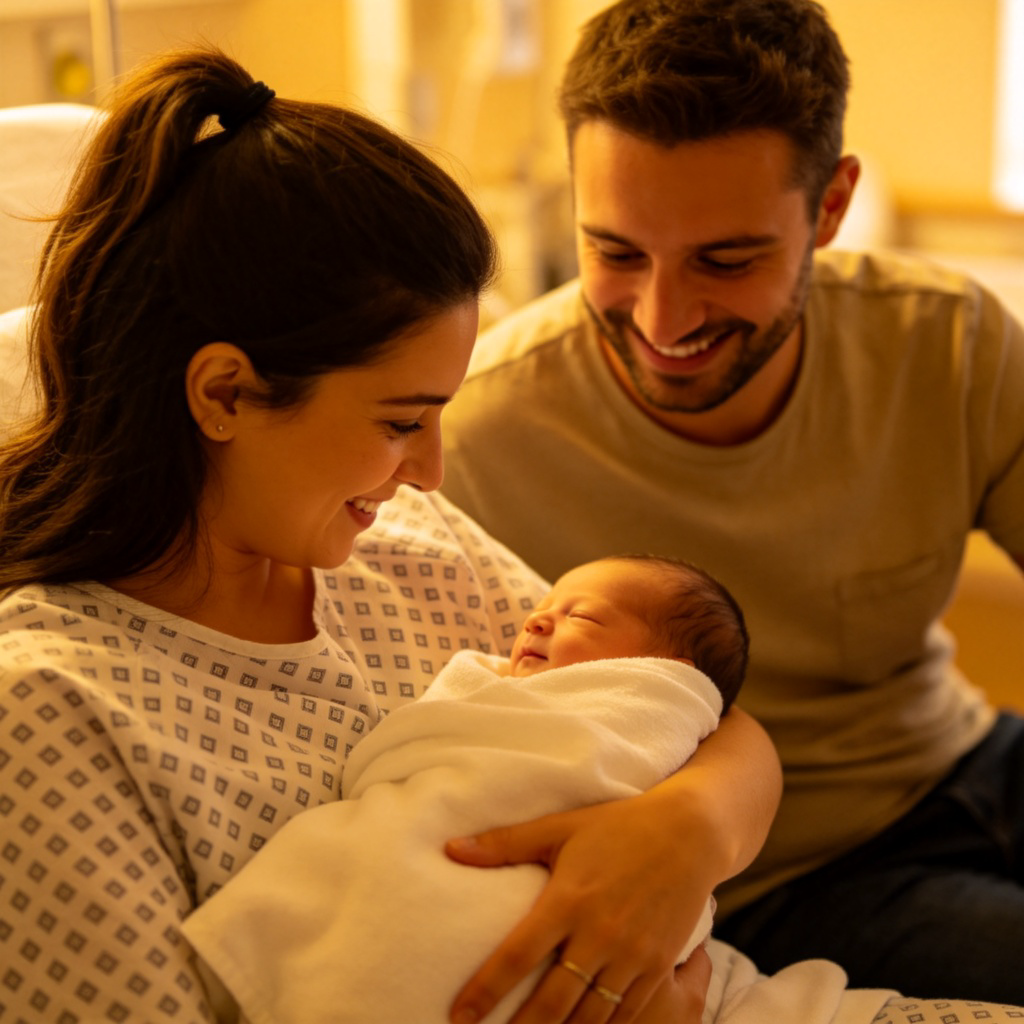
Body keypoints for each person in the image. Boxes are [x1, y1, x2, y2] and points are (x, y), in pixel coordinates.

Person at [0, 44, 784, 1024]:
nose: (431, 470)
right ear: (225, 393)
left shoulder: (409, 549)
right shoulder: (50, 716)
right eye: (402, 420)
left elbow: (681, 700)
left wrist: (690, 828)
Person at [439, 0, 1024, 1007]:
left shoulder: (947, 341)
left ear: (830, 208)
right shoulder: (476, 442)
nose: (662, 319)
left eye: (726, 259)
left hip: (970, 757)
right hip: (790, 874)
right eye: (616, 252)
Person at [181, 554, 746, 1024]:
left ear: (666, 672)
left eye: (582, 617)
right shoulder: (497, 688)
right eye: (542, 608)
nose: (536, 621)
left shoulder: (660, 719)